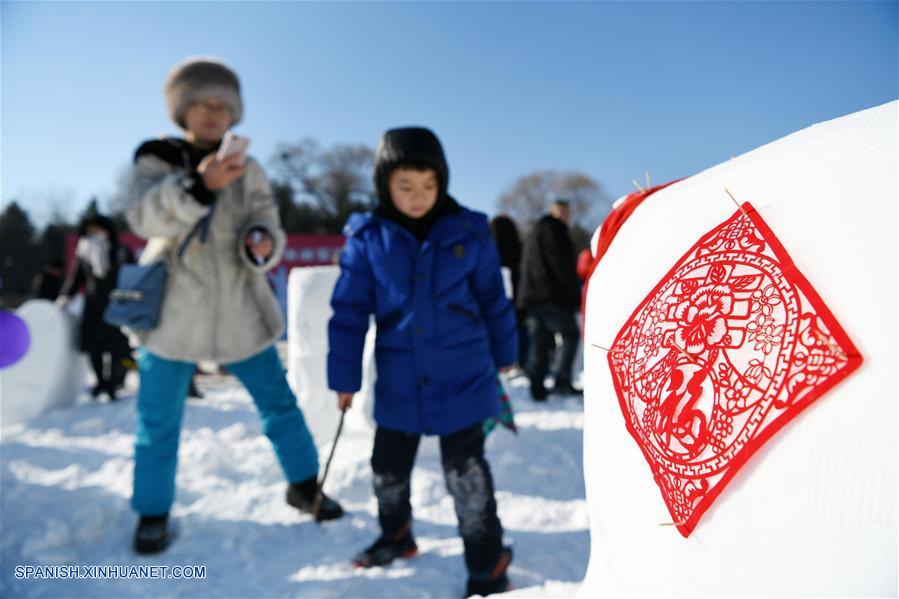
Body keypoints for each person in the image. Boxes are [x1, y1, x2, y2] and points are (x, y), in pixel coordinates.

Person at [123, 56, 343, 555]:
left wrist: (263, 242)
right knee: (157, 418)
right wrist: (200, 185)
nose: (212, 113)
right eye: (200, 103)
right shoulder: (156, 156)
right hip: (172, 312)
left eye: (222, 105)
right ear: (182, 108)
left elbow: (266, 219)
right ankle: (152, 511)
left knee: (278, 404)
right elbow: (142, 216)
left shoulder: (250, 166)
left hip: (240, 305)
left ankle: (304, 485)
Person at [328, 127, 516, 597]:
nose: (418, 198)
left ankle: (486, 561)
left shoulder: (470, 231)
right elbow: (349, 313)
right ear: (384, 184)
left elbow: (494, 299)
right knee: (387, 467)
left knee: (466, 474)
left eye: (429, 186)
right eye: (405, 187)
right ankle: (396, 535)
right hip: (399, 378)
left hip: (466, 375)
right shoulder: (368, 238)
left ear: (443, 182)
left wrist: (507, 354)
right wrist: (344, 377)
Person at [57, 215, 134, 399]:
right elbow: (76, 278)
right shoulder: (83, 253)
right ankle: (99, 381)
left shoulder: (121, 251)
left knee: (117, 348)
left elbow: (132, 275)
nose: (93, 234)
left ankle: (113, 383)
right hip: (93, 305)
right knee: (94, 347)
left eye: (97, 230)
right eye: (90, 231)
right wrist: (66, 296)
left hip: (117, 304)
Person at [517, 199, 582, 400]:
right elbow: (562, 267)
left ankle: (537, 386)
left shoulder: (533, 232)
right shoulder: (555, 231)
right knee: (571, 335)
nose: (565, 217)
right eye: (563, 212)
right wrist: (575, 297)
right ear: (554, 212)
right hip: (552, 298)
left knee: (540, 342)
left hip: (532, 298)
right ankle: (562, 380)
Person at [489, 215, 526, 367]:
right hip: (519, 293)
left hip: (497, 294)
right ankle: (519, 360)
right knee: (519, 327)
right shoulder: (518, 247)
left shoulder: (489, 247)